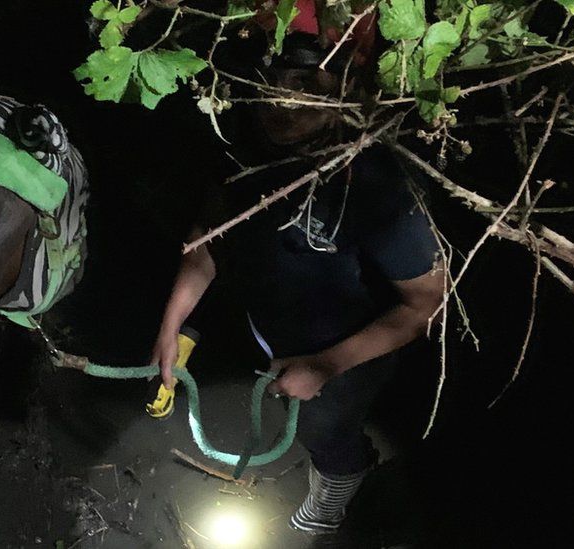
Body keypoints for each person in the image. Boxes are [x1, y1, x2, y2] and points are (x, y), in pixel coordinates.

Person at [150, 23, 445, 534]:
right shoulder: (242, 147)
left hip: (351, 350)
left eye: (313, 87)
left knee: (324, 428)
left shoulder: (376, 183)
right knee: (287, 387)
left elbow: (427, 303)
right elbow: (209, 243)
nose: (287, 102)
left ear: (349, 92)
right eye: (280, 81)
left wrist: (327, 365)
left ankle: (344, 478)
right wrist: (170, 326)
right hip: (272, 327)